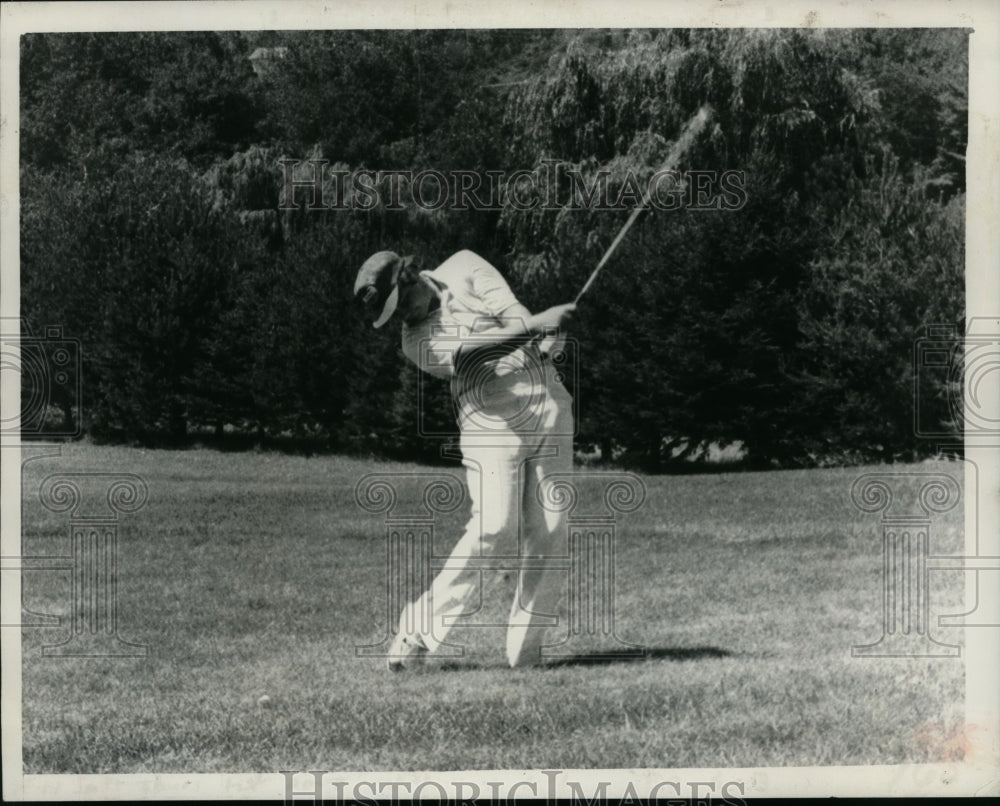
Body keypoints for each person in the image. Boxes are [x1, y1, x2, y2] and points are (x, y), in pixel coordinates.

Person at [354, 249, 577, 670]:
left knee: (551, 527)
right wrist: (536, 325)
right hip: (487, 418)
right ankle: (416, 632)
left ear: (408, 276)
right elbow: (475, 355)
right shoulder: (415, 341)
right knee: (494, 527)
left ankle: (525, 655)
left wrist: (549, 334)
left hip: (548, 400)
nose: (403, 317)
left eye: (400, 304)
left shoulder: (467, 264)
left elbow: (514, 314)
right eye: (393, 314)